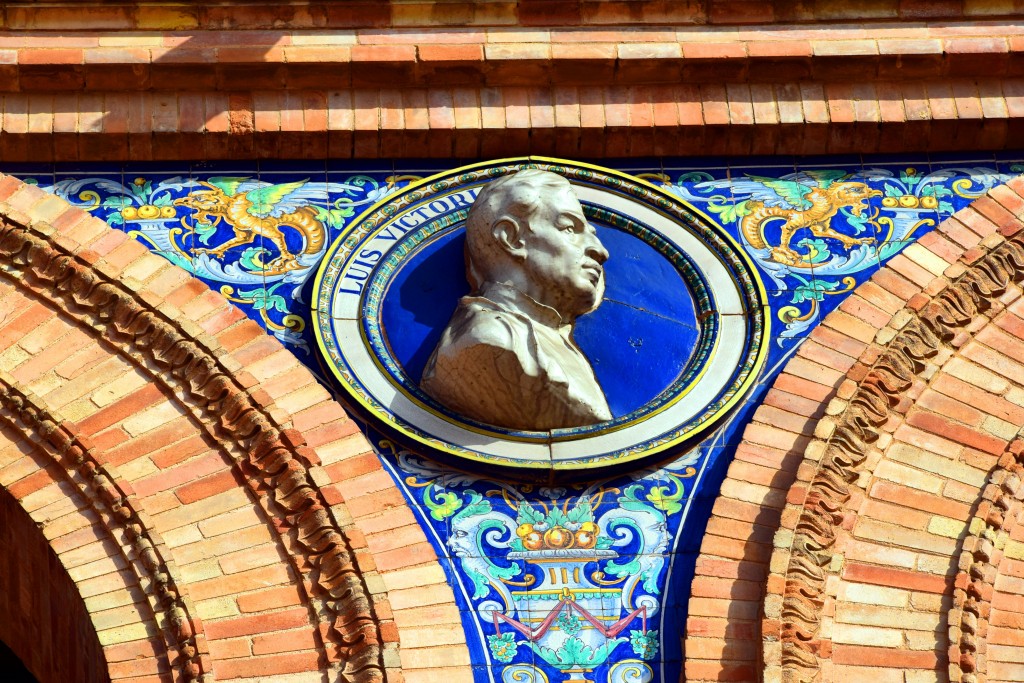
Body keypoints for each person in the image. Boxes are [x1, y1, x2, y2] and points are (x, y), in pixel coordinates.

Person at [420, 169, 612, 431]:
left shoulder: (552, 334)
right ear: (512, 238)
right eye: (569, 228)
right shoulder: (489, 339)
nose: (601, 251)